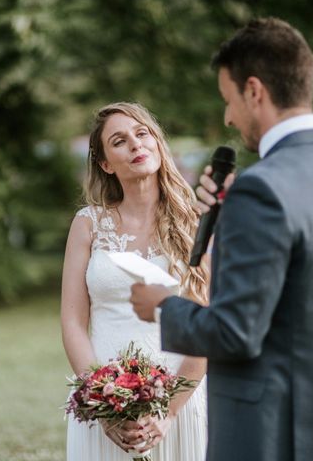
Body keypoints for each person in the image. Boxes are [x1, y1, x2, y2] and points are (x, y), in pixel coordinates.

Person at [130, 17, 313, 461]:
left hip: (268, 434)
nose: (229, 116)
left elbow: (235, 333)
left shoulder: (261, 189)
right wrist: (230, 215)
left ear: (254, 91)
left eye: (228, 100)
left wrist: (161, 305)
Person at [62, 102, 209, 460]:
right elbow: (72, 321)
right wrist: (102, 402)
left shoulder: (198, 223)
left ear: (158, 143)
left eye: (142, 134)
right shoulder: (88, 224)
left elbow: (207, 324)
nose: (135, 144)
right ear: (106, 163)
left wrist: (169, 411)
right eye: (120, 140)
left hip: (181, 401)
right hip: (104, 404)